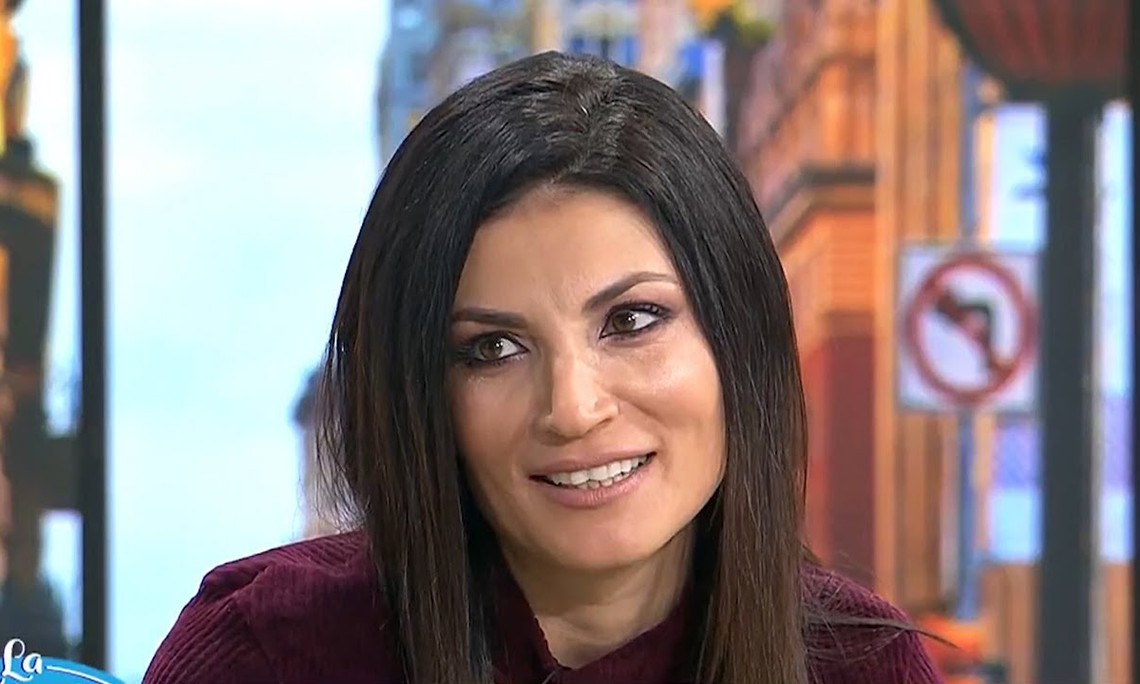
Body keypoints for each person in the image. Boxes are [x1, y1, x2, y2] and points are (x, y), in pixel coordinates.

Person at [143, 52, 941, 684]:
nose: (573, 407)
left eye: (631, 321)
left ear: (739, 338)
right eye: (492, 348)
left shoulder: (863, 667)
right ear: (419, 394)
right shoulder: (265, 653)